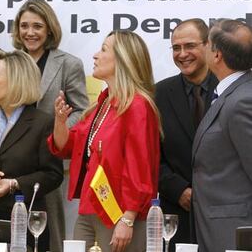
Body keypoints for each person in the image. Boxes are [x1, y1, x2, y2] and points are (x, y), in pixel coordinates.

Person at [48, 30, 161, 252]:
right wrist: (60, 122)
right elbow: (67, 147)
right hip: (89, 209)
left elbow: (140, 166)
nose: (95, 55)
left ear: (123, 59)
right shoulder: (101, 105)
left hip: (118, 214)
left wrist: (128, 218)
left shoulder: (137, 105)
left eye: (103, 49)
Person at [0, 50, 63, 252]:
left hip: (27, 224)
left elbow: (53, 174)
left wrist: (14, 184)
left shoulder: (43, 123)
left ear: (16, 80)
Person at [13, 0, 89, 252]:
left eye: (37, 26)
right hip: (15, 160)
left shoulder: (69, 63)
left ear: (49, 30)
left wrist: (58, 134)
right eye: (24, 26)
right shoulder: (11, 61)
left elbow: (81, 109)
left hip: (52, 160)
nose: (30, 32)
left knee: (51, 232)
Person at [156, 19, 218, 250]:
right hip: (175, 214)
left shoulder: (231, 89)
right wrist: (178, 189)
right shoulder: (158, 93)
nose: (182, 54)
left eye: (190, 46)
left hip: (222, 212)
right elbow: (151, 155)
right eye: (176, 48)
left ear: (208, 45)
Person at [192, 19, 252, 252]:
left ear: (216, 55)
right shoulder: (233, 95)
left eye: (206, 43)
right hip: (217, 227)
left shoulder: (242, 101)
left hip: (234, 232)